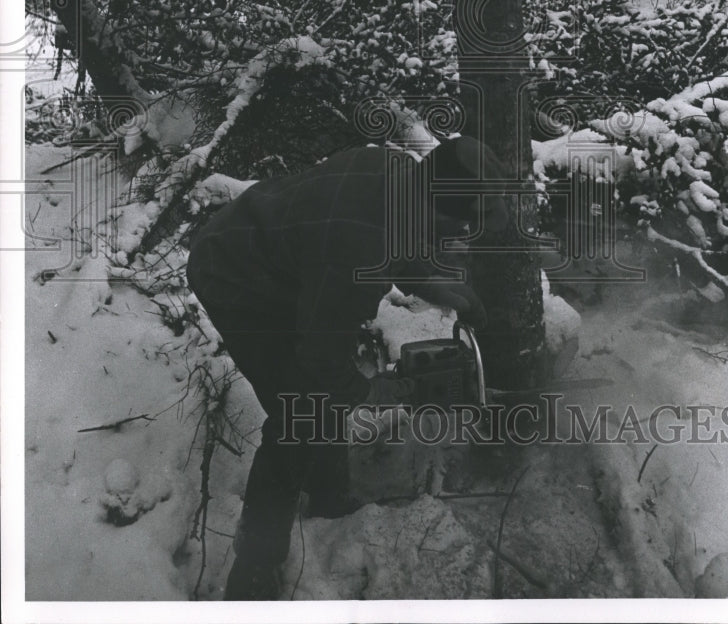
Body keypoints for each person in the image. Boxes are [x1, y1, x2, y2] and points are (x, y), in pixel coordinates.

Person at [185, 135, 506, 600]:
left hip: (280, 258)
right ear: (440, 210)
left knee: (319, 391)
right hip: (234, 274)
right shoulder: (357, 248)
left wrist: (442, 289)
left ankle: (328, 492)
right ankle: (254, 566)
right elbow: (321, 358)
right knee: (300, 410)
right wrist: (376, 393)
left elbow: (400, 238)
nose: (459, 236)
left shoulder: (403, 177)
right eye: (460, 226)